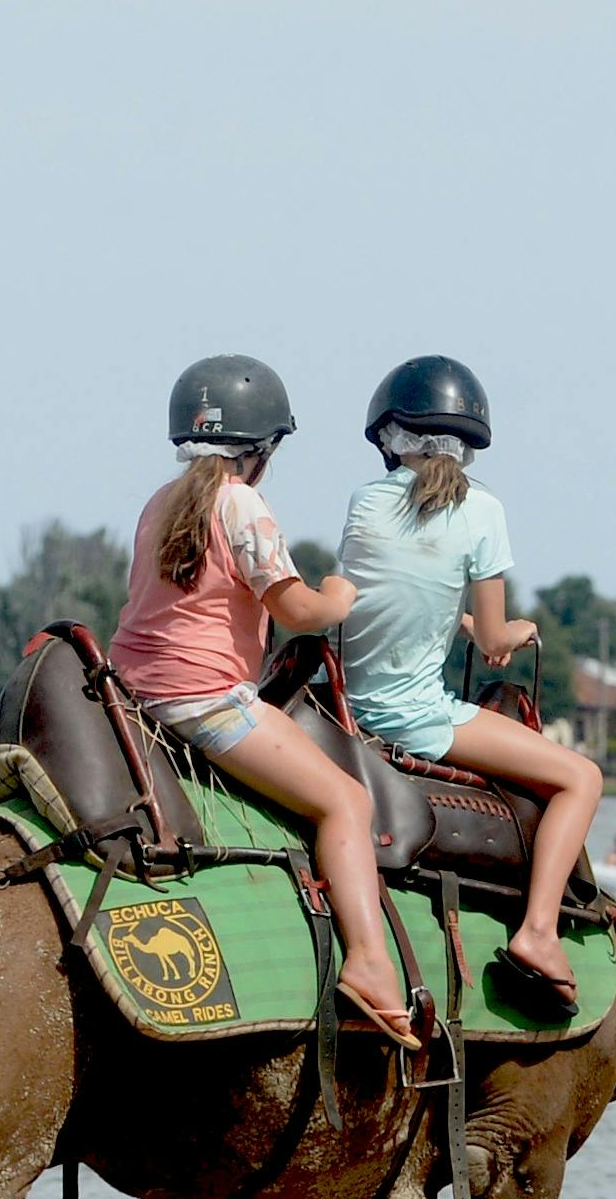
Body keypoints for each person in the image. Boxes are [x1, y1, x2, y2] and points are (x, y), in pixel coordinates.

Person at [112, 354, 424, 1050]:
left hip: (133, 691)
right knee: (346, 802)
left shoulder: (157, 504)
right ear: (263, 450)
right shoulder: (244, 505)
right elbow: (302, 612)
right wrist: (342, 592)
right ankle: (372, 968)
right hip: (205, 703)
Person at [331, 355, 607, 1005]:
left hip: (353, 705)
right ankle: (539, 931)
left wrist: (449, 617)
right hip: (418, 717)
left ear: (390, 436)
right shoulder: (484, 512)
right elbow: (492, 641)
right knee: (582, 779)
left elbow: (391, 592)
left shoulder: (363, 501)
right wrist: (520, 629)